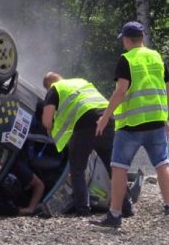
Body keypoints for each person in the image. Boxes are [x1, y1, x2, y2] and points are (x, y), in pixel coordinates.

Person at [92, 21, 169, 228]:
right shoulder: (156, 57)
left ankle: (115, 215)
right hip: (156, 121)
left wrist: (105, 116)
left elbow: (121, 90)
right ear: (143, 38)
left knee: (119, 167)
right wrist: (165, 117)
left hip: (131, 124)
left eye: (123, 40)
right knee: (162, 163)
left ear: (127, 40)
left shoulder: (126, 59)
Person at [41, 72, 134, 217]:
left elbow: (47, 120)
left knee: (78, 169)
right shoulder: (81, 81)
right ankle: (127, 207)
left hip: (86, 124)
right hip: (107, 119)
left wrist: (50, 128)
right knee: (114, 167)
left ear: (48, 85)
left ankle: (83, 210)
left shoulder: (55, 89)